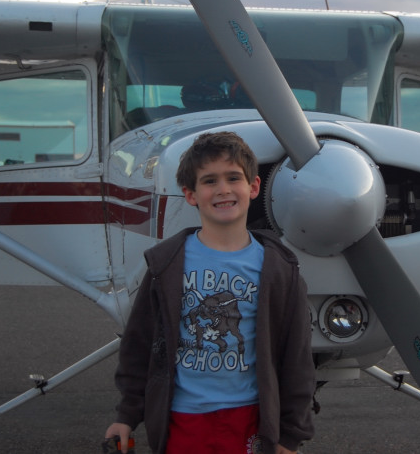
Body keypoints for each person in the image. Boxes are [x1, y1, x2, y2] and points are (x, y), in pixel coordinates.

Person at [105, 131, 315, 454]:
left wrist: (290, 435)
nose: (223, 189)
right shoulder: (166, 264)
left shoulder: (280, 269)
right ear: (190, 195)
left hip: (250, 419)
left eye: (233, 178)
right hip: (183, 418)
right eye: (209, 181)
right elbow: (140, 343)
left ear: (254, 187)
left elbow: (296, 357)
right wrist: (127, 415)